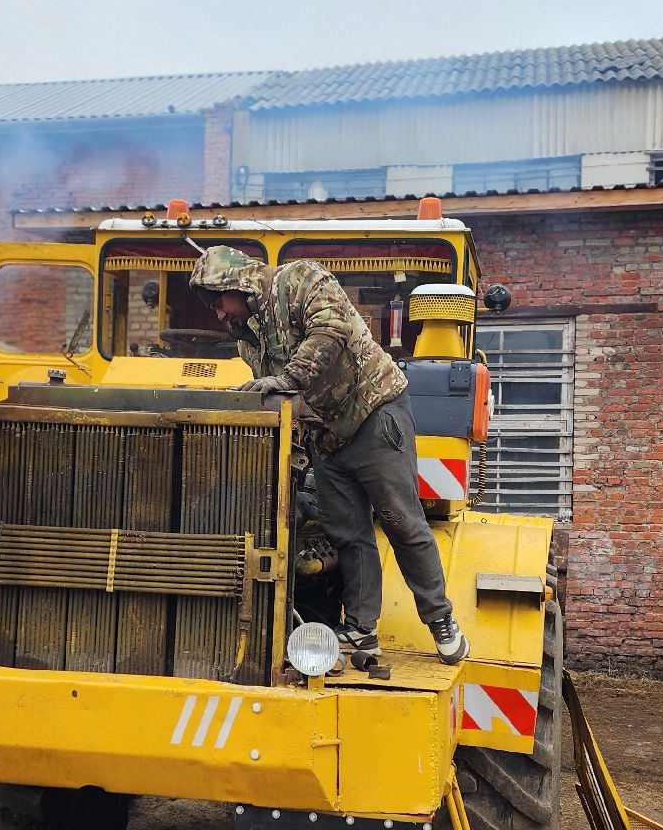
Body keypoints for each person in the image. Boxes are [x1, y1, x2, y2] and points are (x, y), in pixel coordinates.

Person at [187, 246, 467, 664]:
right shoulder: (247, 339)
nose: (217, 314)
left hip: (374, 415)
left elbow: (331, 330)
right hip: (326, 436)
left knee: (402, 523)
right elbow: (280, 399)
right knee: (347, 533)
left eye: (217, 302)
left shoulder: (301, 280)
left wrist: (285, 380)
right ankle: (361, 628)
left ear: (237, 284)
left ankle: (441, 620)